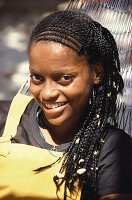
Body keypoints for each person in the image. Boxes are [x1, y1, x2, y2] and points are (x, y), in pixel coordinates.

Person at [0, 10, 132, 200]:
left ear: (97, 73)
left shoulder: (110, 148)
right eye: (37, 77)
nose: (47, 93)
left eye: (64, 78)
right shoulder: (5, 119)